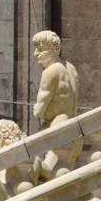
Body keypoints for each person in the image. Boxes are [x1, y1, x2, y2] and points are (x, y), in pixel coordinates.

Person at [31, 30, 81, 179]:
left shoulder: (50, 72)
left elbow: (38, 111)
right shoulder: (71, 68)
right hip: (74, 129)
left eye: (40, 49)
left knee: (46, 176)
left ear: (53, 50)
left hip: (58, 131)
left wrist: (36, 108)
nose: (35, 53)